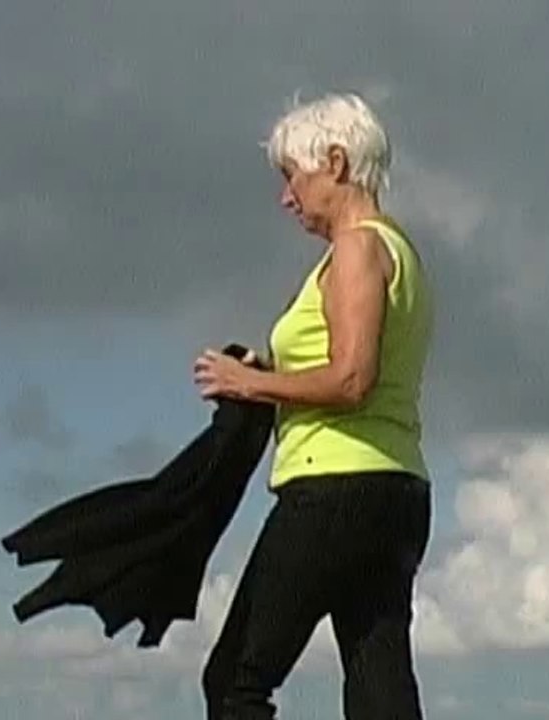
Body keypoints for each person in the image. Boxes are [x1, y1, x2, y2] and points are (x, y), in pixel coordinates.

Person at [191, 91, 433, 720]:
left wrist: (249, 384)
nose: (286, 197)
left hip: (332, 490)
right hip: (398, 493)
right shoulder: (402, 254)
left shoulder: (356, 250)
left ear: (335, 161)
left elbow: (353, 378)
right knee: (379, 684)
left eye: (292, 177)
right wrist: (271, 372)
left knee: (234, 681)